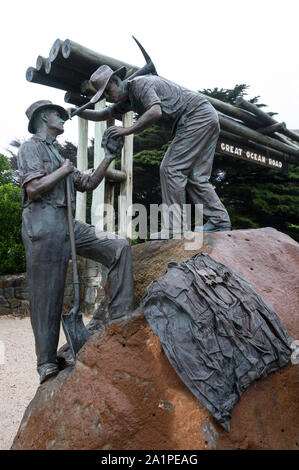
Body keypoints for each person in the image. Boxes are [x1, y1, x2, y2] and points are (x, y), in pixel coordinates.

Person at [17, 100, 135, 384]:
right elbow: (33, 190)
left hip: (68, 224)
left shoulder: (57, 153)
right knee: (47, 296)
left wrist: (107, 155)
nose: (63, 118)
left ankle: (119, 320)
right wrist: (63, 171)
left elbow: (88, 182)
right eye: (59, 114)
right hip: (43, 223)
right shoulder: (30, 148)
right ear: (44, 117)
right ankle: (46, 363)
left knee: (118, 247)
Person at [69, 65, 231, 237]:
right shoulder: (126, 99)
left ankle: (175, 228)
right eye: (104, 95)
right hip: (205, 117)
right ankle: (219, 221)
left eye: (108, 91)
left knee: (171, 169)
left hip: (196, 116)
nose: (108, 97)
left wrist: (126, 130)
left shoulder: (140, 85)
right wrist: (79, 112)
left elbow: (155, 111)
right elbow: (105, 113)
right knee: (196, 177)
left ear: (116, 81)